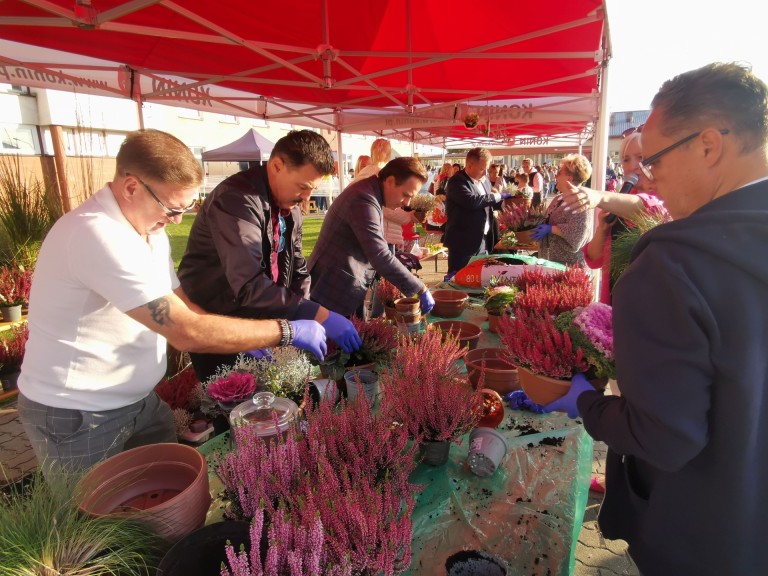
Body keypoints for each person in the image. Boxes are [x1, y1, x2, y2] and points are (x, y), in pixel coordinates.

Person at [545, 62, 768, 574]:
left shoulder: (673, 263)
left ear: (709, 145)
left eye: (656, 161)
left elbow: (665, 437)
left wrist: (583, 401)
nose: (650, 180)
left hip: (696, 533)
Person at [17, 129, 328, 477]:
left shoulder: (149, 230)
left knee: (169, 498)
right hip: (79, 413)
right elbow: (184, 329)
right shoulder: (95, 234)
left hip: (138, 401)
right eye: (171, 207)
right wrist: (283, 331)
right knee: (97, 523)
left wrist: (250, 338)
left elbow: (184, 305)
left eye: (187, 207)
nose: (178, 220)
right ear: (132, 186)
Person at [178, 130, 361, 382]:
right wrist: (320, 315)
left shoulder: (290, 208)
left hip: (267, 326)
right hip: (221, 325)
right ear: (277, 165)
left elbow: (298, 270)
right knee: (234, 406)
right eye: (303, 186)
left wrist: (302, 313)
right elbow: (249, 285)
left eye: (312, 188)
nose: (307, 197)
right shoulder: (236, 201)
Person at [308, 157, 435, 318]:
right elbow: (379, 255)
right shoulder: (363, 199)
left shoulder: (370, 193)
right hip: (332, 290)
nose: (406, 203)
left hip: (342, 286)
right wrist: (420, 288)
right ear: (390, 181)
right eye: (405, 194)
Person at [561, 131, 666, 304]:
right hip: (614, 301)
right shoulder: (618, 201)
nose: (633, 166)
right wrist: (602, 230)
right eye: (626, 159)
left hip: (648, 303)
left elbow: (646, 207)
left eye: (640, 157)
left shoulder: (664, 199)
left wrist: (600, 197)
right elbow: (594, 259)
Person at [443, 148, 513, 275]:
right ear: (469, 165)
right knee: (460, 278)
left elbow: (487, 203)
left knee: (479, 277)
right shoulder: (457, 181)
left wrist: (507, 203)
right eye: (482, 169)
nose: (486, 173)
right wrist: (498, 196)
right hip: (463, 242)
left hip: (483, 239)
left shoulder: (485, 181)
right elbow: (472, 201)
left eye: (486, 169)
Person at [530, 154, 594, 267]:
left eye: (559, 173)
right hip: (551, 262)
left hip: (569, 267)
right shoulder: (558, 198)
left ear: (569, 178)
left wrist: (551, 229)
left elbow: (578, 236)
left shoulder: (580, 201)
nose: (556, 176)